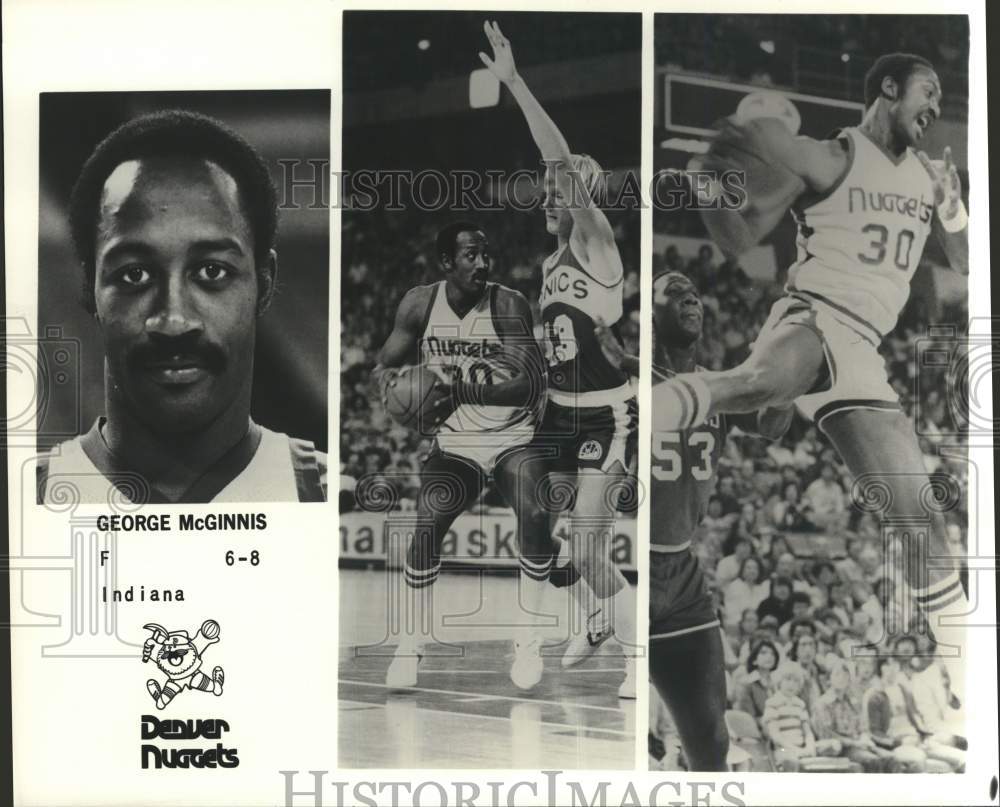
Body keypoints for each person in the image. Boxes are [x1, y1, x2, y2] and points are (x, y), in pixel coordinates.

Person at [653, 53, 970, 664]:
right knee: (761, 384)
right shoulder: (831, 156)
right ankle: (654, 406)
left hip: (865, 350)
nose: (935, 104)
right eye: (928, 91)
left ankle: (964, 662)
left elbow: (964, 260)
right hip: (813, 315)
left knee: (918, 515)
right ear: (889, 88)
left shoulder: (927, 175)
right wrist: (710, 185)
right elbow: (737, 237)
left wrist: (952, 206)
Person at [38, 110, 327, 503]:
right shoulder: (25, 502)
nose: (173, 320)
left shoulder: (333, 502)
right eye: (135, 274)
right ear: (90, 288)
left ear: (265, 284)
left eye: (212, 271)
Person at [479, 21, 637, 698]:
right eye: (547, 189)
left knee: (590, 545)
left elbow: (561, 160)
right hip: (557, 414)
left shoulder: (597, 242)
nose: (549, 195)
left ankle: (637, 659)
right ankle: (586, 619)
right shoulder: (549, 265)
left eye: (560, 188)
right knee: (539, 530)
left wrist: (515, 83)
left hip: (605, 417)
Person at [373, 221, 552, 689]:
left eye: (485, 254)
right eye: (471, 255)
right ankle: (410, 644)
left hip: (513, 435)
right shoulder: (418, 304)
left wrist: (461, 393)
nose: (482, 263)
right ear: (446, 262)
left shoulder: (508, 304)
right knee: (427, 525)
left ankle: (527, 639)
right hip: (457, 440)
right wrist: (392, 391)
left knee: (536, 513)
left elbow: (530, 384)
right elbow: (385, 363)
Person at [812, 658, 893, 772]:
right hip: (841, 748)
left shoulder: (852, 702)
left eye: (846, 675)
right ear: (829, 679)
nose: (842, 678)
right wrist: (855, 743)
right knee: (872, 761)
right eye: (837, 674)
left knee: (890, 758)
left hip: (859, 745)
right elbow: (827, 734)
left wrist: (864, 737)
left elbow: (863, 727)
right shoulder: (823, 703)